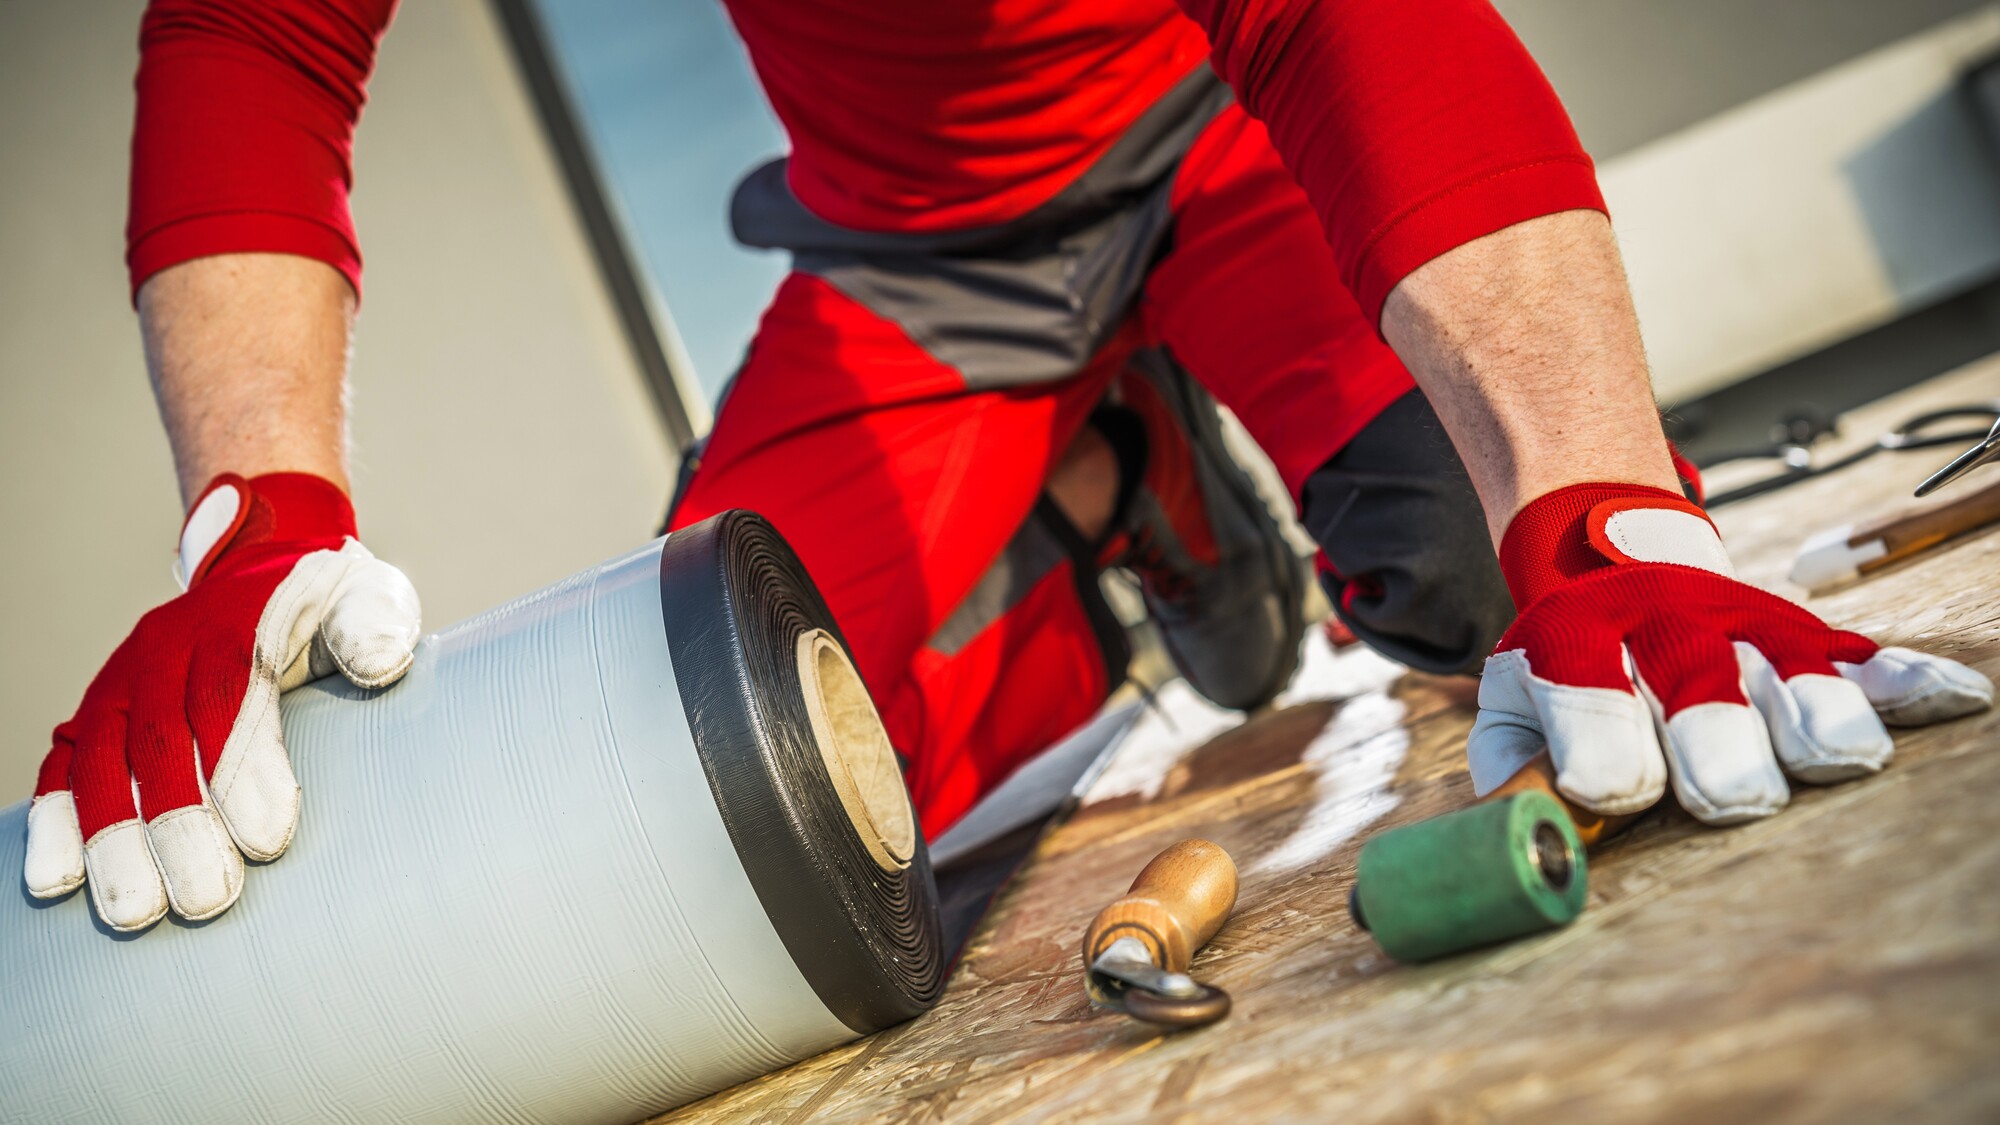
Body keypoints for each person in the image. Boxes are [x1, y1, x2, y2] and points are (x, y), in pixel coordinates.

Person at [25, 0, 1991, 933]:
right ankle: (1103, 483)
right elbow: (254, 46)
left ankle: (1160, 453)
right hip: (914, 257)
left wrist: (1595, 498)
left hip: (1224, 139)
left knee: (1506, 610)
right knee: (732, 805)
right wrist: (249, 514)